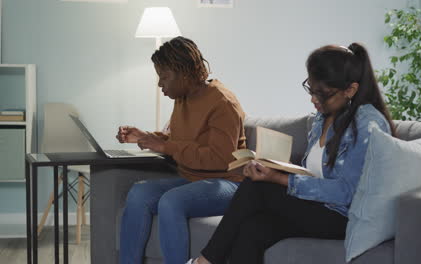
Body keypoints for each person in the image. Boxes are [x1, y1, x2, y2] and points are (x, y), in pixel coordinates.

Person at [188, 43, 397, 264]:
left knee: (257, 187)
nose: (313, 99)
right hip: (317, 207)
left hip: (343, 216)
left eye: (322, 93)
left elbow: (346, 192)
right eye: (312, 89)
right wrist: (278, 168)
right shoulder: (323, 117)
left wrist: (278, 178)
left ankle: (205, 260)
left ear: (350, 90)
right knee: (253, 229)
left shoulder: (368, 123)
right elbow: (314, 173)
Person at [116, 36, 246, 264]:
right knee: (138, 193)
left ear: (184, 73)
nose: (160, 84)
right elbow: (181, 140)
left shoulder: (222, 103)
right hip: (194, 179)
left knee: (171, 201)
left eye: (164, 77)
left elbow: (220, 158)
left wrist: (165, 145)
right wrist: (147, 137)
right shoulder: (183, 97)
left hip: (229, 182)